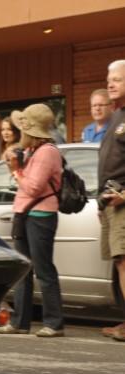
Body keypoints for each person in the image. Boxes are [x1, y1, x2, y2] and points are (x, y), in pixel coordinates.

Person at [0, 103, 65, 337]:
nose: (19, 133)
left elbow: (34, 188)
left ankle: (54, 323)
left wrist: (16, 171)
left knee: (44, 270)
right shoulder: (33, 151)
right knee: (24, 270)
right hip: (26, 214)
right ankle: (19, 322)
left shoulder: (47, 152)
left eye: (23, 129)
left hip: (41, 215)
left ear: (31, 131)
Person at [98, 60, 125, 341]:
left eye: (117, 79)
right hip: (109, 203)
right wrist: (99, 202)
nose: (110, 83)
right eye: (109, 79)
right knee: (118, 263)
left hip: (122, 203)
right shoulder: (115, 117)